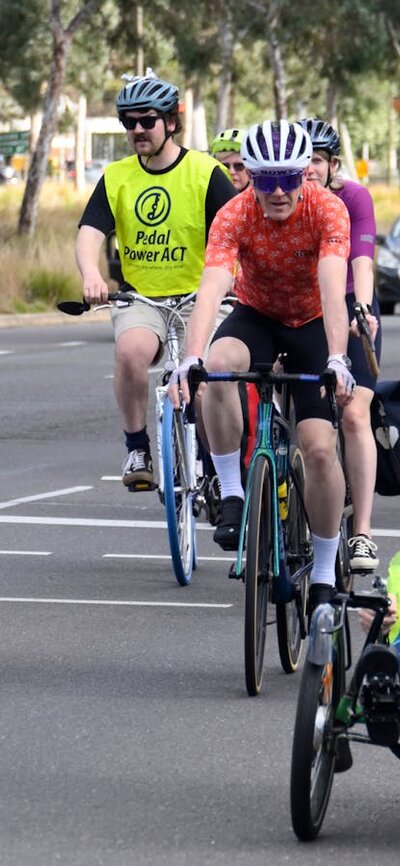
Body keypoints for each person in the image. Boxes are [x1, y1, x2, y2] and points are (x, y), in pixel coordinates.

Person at [168, 118, 355, 611]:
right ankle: (232, 492)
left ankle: (321, 569)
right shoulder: (233, 214)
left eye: (289, 178)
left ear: (305, 176)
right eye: (265, 178)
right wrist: (190, 359)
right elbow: (211, 289)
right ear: (249, 174)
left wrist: (337, 356)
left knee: (318, 449)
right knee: (218, 364)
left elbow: (334, 287)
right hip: (257, 316)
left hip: (313, 324)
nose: (277, 191)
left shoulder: (327, 210)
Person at [75, 71, 236, 491]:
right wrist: (91, 273)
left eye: (146, 120)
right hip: (143, 299)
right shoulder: (117, 177)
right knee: (130, 352)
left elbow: (239, 233)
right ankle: (137, 448)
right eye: (128, 122)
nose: (137, 130)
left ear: (171, 122)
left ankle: (220, 472)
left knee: (202, 388)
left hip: (202, 299)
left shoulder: (205, 172)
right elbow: (90, 232)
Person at [299, 118, 381, 573]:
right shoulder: (283, 196)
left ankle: (363, 533)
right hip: (303, 310)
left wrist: (363, 308)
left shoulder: (354, 198)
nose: (307, 169)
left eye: (316, 160)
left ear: (332, 164)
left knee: (353, 414)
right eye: (302, 159)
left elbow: (362, 259)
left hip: (350, 306)